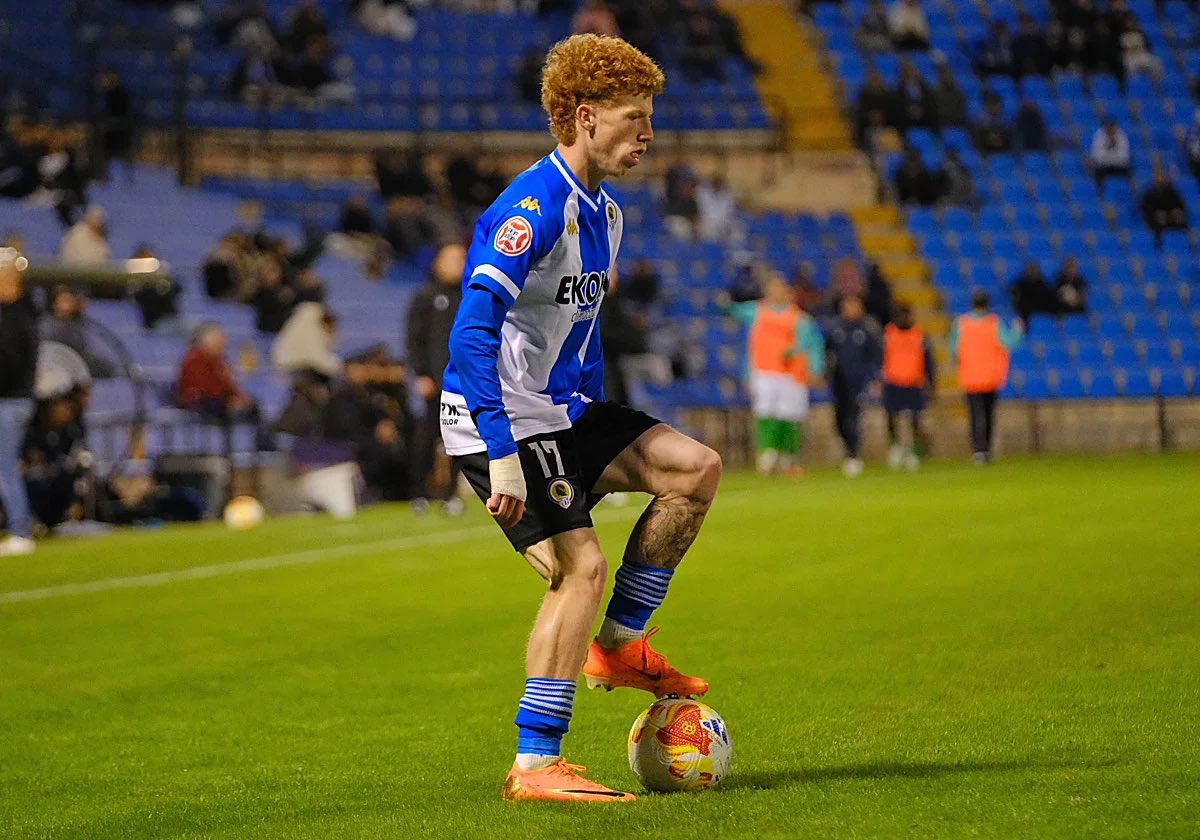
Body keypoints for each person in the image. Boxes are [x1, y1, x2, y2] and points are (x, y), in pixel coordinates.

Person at [439, 34, 721, 803]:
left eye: (650, 118)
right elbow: (471, 331)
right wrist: (501, 453)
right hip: (498, 419)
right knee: (579, 572)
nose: (649, 135)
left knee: (694, 469)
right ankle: (535, 765)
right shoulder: (530, 210)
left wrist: (589, 427)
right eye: (635, 119)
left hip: (558, 409)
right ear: (586, 118)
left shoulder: (605, 213)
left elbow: (577, 330)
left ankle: (622, 645)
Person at [727, 272, 824, 476]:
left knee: (788, 416)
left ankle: (788, 456)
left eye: (780, 288)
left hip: (791, 374)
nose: (776, 292)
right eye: (772, 288)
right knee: (765, 412)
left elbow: (814, 345)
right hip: (763, 371)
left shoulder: (800, 318)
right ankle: (767, 453)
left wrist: (815, 369)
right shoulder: (756, 311)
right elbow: (731, 310)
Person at [405, 242, 466, 515]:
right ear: (437, 263)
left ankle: (450, 494)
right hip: (434, 383)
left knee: (459, 441)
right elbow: (413, 339)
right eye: (452, 258)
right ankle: (418, 492)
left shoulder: (469, 297)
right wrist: (420, 374)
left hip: (463, 383)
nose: (458, 263)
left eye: (461, 258)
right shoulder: (426, 297)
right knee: (427, 438)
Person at [949, 290, 1023, 465]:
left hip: (970, 377)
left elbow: (953, 348)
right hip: (990, 378)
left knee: (975, 415)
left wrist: (957, 365)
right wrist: (1018, 330)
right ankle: (987, 448)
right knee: (989, 415)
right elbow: (1009, 342)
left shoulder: (961, 324)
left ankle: (977, 450)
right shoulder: (994, 323)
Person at [0, 248, 38, 556]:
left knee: (4, 466)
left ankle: (19, 529)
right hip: (16, 399)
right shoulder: (24, 314)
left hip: (10, 400)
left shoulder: (15, 317)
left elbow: (9, 362)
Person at [824, 294, 882, 478]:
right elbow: (828, 353)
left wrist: (874, 379)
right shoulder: (836, 328)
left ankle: (853, 454)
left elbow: (875, 357)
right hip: (839, 381)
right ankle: (848, 447)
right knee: (840, 419)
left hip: (859, 381)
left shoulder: (867, 329)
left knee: (853, 417)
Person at [881, 303, 935, 472]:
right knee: (891, 418)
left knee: (915, 420)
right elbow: (879, 358)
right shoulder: (888, 334)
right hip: (893, 381)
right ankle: (895, 448)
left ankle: (914, 452)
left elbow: (928, 361)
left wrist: (931, 382)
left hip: (913, 381)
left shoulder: (919, 335)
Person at [39, 286, 117, 378]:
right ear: (55, 303)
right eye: (63, 301)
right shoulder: (45, 324)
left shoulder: (81, 323)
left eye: (68, 301)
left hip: (76, 363)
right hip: (51, 366)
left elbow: (82, 351)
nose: (65, 305)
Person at [1139, 165, 1189, 247]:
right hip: (1156, 218)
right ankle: (1159, 245)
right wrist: (1157, 214)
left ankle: (1184, 244)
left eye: (1162, 176)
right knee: (1160, 218)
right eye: (1158, 176)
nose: (1160, 178)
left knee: (1179, 216)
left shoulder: (1172, 191)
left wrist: (1175, 211)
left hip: (1171, 217)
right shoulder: (1150, 193)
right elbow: (1145, 208)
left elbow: (1180, 205)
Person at [1009, 260, 1057, 330]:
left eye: (1034, 269)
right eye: (1030, 269)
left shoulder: (1043, 284)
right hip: (1027, 310)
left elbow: (1049, 298)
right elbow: (1015, 297)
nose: (1032, 272)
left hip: (1041, 308)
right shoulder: (1020, 284)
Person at [1089, 119, 1131, 186]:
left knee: (1129, 173)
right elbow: (1097, 157)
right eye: (1109, 128)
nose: (1111, 130)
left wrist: (1108, 155)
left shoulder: (1122, 136)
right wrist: (1113, 154)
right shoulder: (1099, 136)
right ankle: (1100, 194)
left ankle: (1129, 192)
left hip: (1118, 166)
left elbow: (1124, 157)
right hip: (1104, 167)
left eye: (1113, 128)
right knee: (1097, 173)